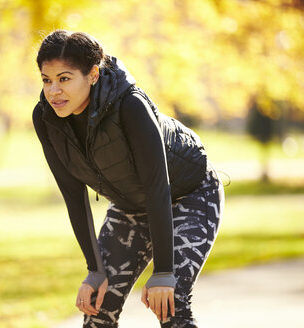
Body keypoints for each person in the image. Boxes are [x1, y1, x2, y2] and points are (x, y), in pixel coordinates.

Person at [32, 29, 224, 328]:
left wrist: (163, 272)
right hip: (131, 205)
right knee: (98, 309)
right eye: (47, 80)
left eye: (65, 78)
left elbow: (158, 187)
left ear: (92, 74)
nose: (54, 91)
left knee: (170, 305)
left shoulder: (130, 105)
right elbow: (73, 195)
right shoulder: (45, 118)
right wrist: (94, 270)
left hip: (188, 193)